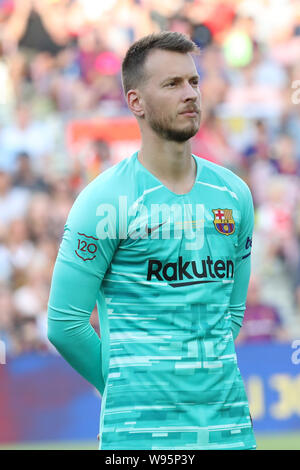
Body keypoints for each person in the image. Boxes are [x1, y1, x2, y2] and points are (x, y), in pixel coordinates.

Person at [47, 31, 256, 450]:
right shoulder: (104, 201)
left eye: (193, 82)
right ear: (136, 102)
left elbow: (230, 313)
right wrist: (127, 387)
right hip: (140, 440)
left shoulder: (234, 196)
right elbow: (65, 325)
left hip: (229, 432)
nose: (191, 94)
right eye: (172, 84)